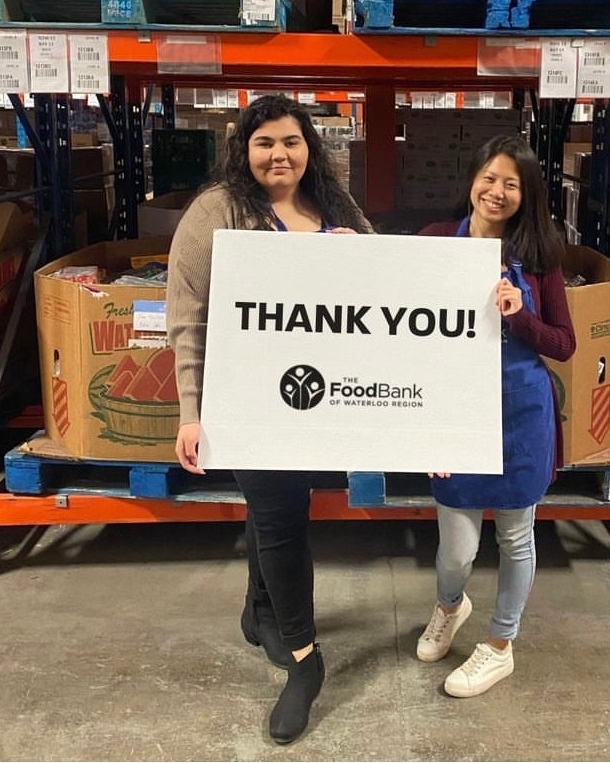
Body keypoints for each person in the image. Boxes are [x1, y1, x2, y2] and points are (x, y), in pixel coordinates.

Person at [166, 94, 373, 744]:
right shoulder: (216, 212)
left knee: (275, 507)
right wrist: (191, 411)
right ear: (244, 149)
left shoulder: (331, 205)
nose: (278, 154)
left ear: (307, 146)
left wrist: (354, 252)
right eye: (264, 143)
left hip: (317, 392)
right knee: (283, 519)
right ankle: (306, 662)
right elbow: (188, 316)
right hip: (248, 393)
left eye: (290, 141)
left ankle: (259, 612)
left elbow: (383, 274)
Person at [416, 134, 576, 698]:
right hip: (455, 413)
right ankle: (449, 607)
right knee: (456, 547)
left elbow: (564, 344)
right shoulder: (437, 241)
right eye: (490, 177)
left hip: (520, 414)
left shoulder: (540, 258)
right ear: (472, 181)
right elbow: (398, 316)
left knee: (515, 536)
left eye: (512, 183)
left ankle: (501, 644)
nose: (497, 191)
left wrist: (520, 317)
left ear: (526, 194)